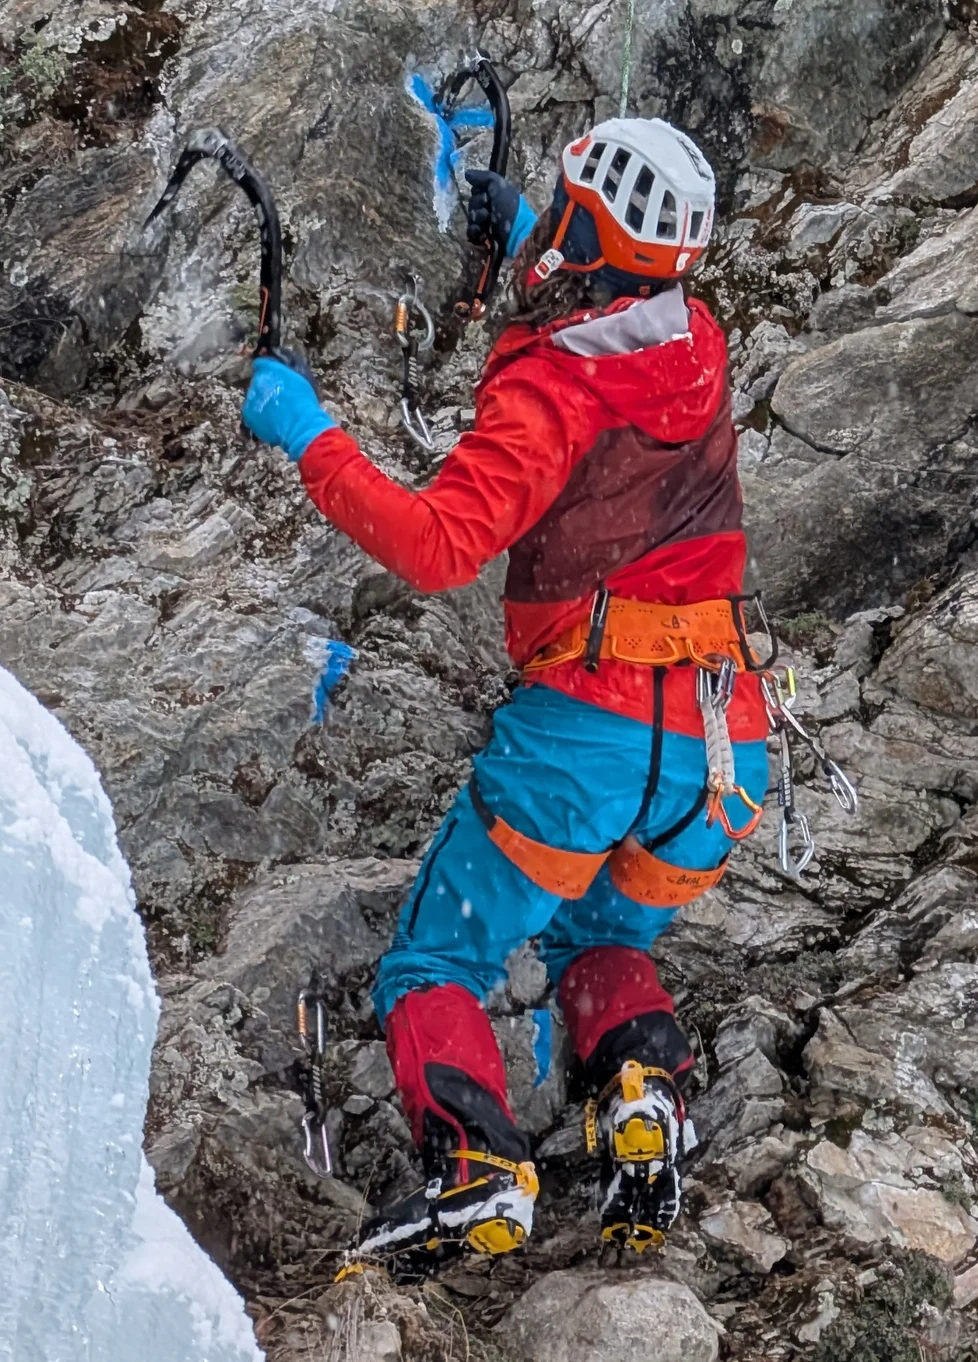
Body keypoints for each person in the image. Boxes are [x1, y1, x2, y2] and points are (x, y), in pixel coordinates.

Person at [239, 116, 769, 1267]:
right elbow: (610, 299)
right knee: (595, 935)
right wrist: (528, 226)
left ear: (589, 221)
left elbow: (439, 547)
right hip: (721, 750)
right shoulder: (698, 340)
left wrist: (310, 435)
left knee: (434, 964)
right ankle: (642, 1098)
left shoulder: (549, 392)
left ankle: (475, 1171)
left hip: (587, 736)